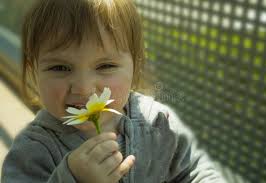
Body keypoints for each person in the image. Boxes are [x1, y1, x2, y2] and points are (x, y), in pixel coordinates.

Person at [1, 0, 228, 182]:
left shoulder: (158, 122)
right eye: (60, 67)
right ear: (33, 72)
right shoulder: (32, 152)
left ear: (136, 67)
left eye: (105, 66)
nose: (83, 88)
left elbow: (193, 169)